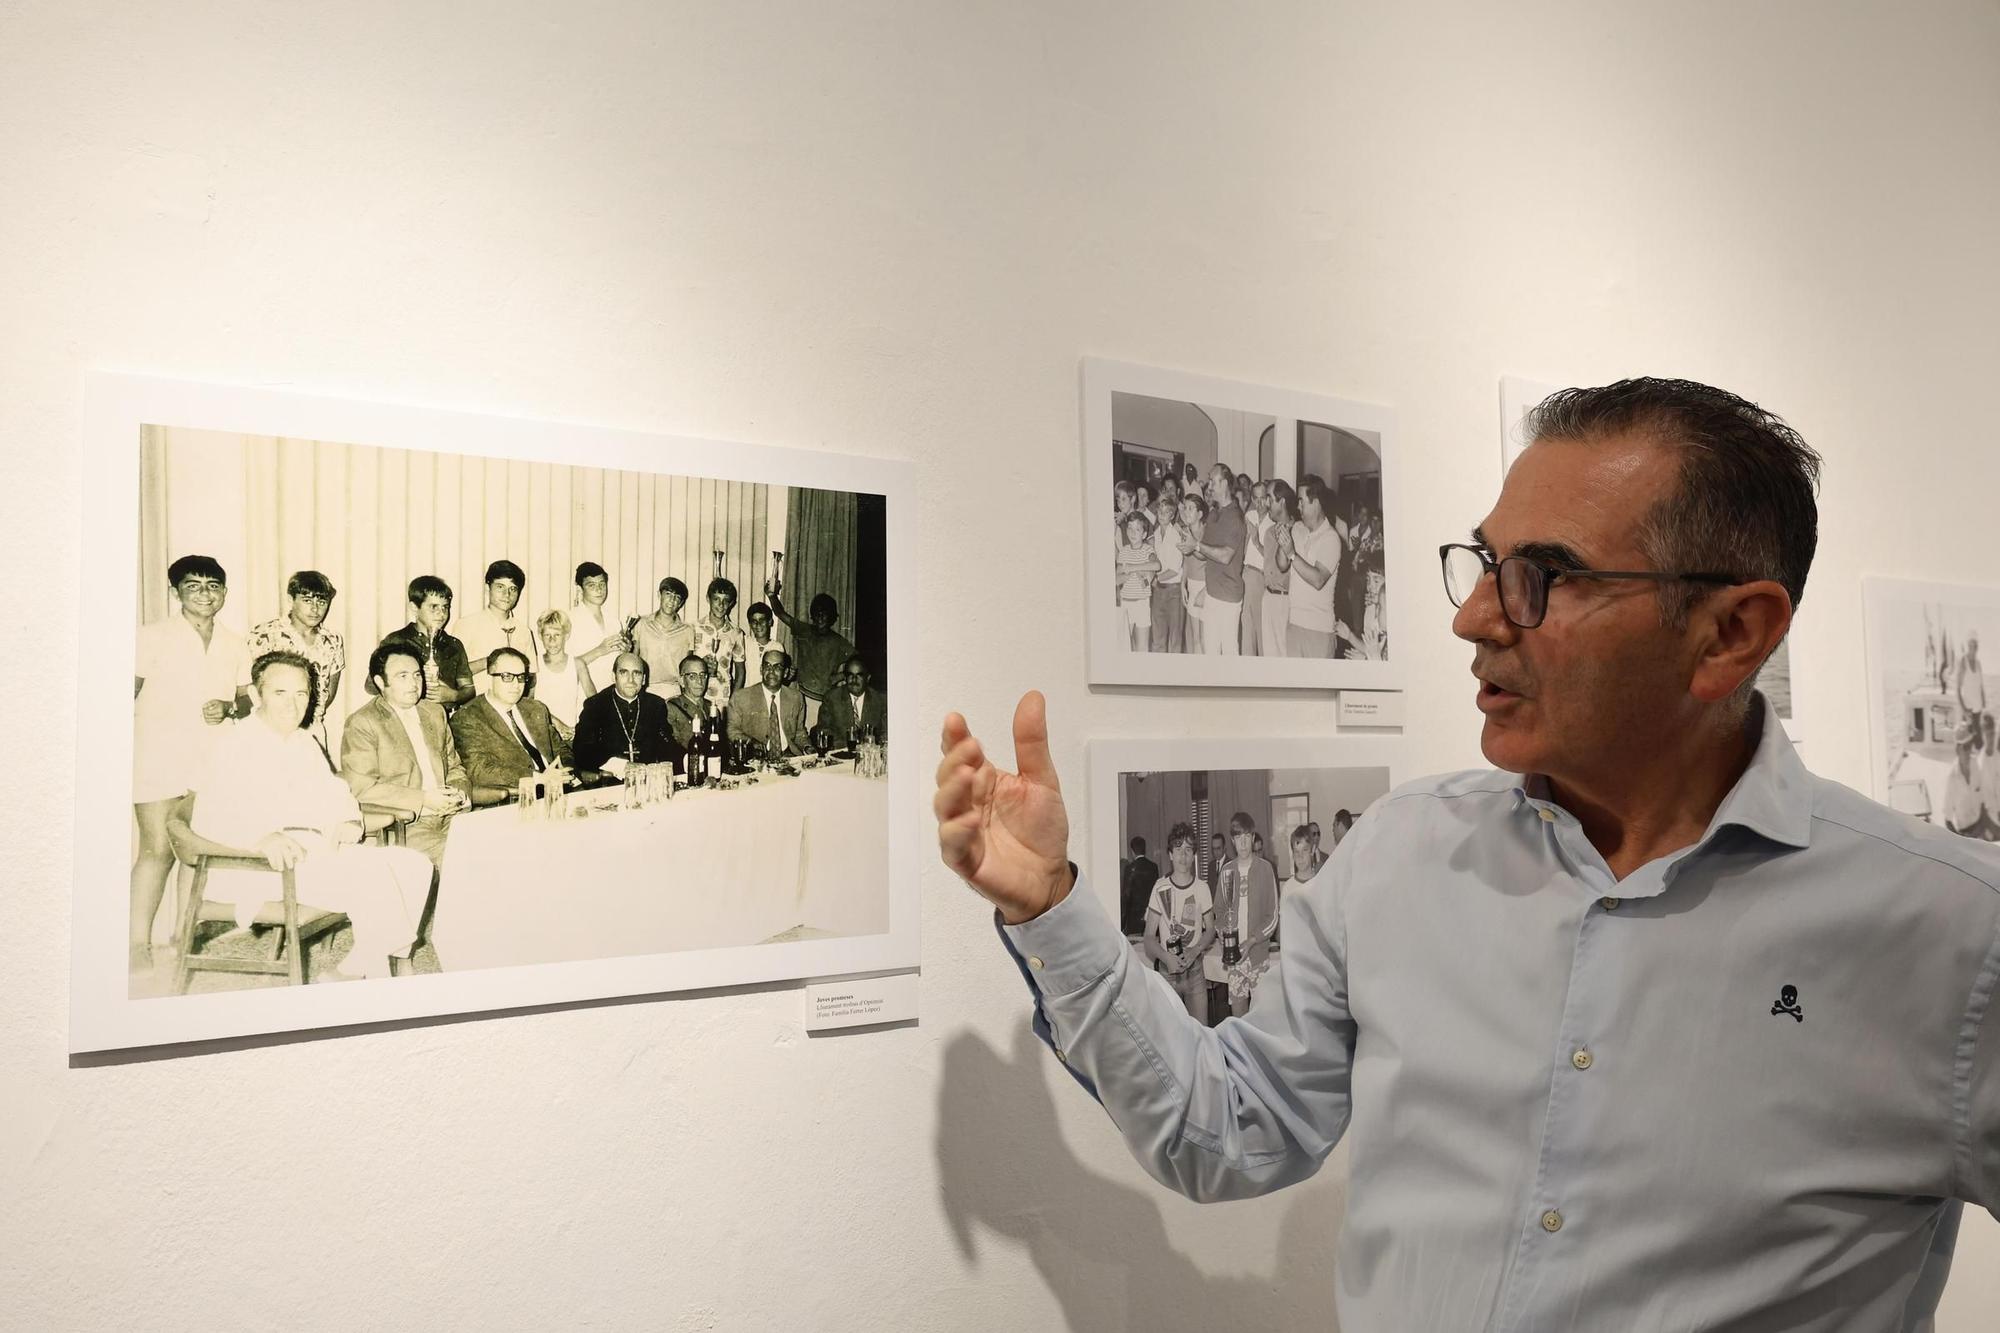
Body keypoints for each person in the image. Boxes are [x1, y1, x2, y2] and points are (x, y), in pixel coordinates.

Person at [934, 377, 1996, 1329]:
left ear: (1727, 634)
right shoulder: (1400, 855)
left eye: (1545, 575)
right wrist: (1050, 907)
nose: (1476, 617)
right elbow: (1227, 1131)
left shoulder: (1948, 936)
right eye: (1486, 562)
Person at [179, 651, 432, 980]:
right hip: (253, 865)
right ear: (256, 695)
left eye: (301, 694)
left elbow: (335, 792)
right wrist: (259, 837)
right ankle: (377, 976)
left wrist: (349, 819)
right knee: (376, 878)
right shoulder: (232, 745)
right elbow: (208, 814)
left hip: (309, 855)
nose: (292, 704)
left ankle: (356, 968)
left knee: (415, 865)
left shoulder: (304, 741)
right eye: (279, 693)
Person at [131, 554, 253, 968]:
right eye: (194, 585)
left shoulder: (235, 643)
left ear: (224, 593)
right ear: (175, 591)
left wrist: (230, 708)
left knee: (196, 852)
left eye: (213, 586)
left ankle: (182, 940)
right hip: (157, 756)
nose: (205, 593)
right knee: (157, 850)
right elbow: (123, 693)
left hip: (210, 760)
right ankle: (136, 946)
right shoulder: (150, 636)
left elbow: (246, 699)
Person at [339, 638, 469, 867]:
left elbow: (455, 767)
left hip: (453, 818)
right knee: (464, 859)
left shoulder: (435, 712)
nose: (414, 683)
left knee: (497, 846)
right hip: (406, 825)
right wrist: (424, 799)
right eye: (403, 676)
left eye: (417, 674)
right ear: (381, 682)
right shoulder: (363, 722)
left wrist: (460, 795)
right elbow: (361, 788)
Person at [450, 647, 574, 807]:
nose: (516, 684)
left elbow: (560, 749)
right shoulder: (467, 717)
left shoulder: (536, 708)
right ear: (489, 678)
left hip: (558, 792)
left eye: (521, 677)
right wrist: (539, 778)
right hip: (515, 799)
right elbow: (480, 770)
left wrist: (566, 771)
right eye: (507, 676)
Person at [247, 569, 345, 746]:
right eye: (307, 600)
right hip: (272, 727)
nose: (315, 609)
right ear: (291, 600)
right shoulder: (264, 634)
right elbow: (251, 686)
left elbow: (328, 691)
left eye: (322, 601)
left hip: (313, 729)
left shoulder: (333, 639)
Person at [1139, 823, 1213, 1024]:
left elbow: (1211, 930)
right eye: (1178, 850)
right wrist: (1165, 957)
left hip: (1195, 972)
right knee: (1171, 1038)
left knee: (1201, 1034)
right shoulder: (1159, 887)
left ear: (1194, 855)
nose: (1183, 856)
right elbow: (1148, 937)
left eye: (1188, 850)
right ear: (1170, 855)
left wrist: (1195, 950)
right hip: (1167, 972)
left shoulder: (1202, 888)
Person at [1212, 812, 1280, 1017]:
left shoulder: (1266, 869)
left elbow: (1273, 916)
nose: (1242, 843)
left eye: (1246, 837)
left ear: (1252, 837)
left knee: (1262, 1017)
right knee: (1238, 1016)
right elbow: (1220, 912)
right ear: (1232, 841)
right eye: (1238, 838)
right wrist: (1226, 940)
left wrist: (1251, 941)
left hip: (1258, 957)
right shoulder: (1226, 871)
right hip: (1234, 960)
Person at [573, 652, 682, 779]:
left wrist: (687, 760)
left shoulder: (655, 705)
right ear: (614, 677)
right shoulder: (596, 705)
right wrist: (621, 766)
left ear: (644, 679)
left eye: (637, 673)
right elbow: (582, 751)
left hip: (648, 780)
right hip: (608, 782)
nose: (631, 680)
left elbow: (666, 744)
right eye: (624, 672)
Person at [771, 591, 854, 732]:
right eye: (817, 613)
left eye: (825, 614)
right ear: (812, 615)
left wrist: (839, 677)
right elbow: (781, 613)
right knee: (801, 736)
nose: (820, 618)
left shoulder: (839, 641)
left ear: (832, 617)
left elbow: (858, 661)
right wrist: (772, 596)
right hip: (802, 696)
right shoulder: (804, 630)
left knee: (821, 738)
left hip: (825, 701)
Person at [1278, 475, 1342, 657]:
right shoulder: (1297, 528)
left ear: (1316, 503)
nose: (1298, 507)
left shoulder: (1331, 538)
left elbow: (1318, 579)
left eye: (1302, 501)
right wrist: (1284, 538)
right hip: (1294, 624)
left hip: (1319, 630)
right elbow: (1282, 564)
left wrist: (1291, 553)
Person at [391, 575, 473, 710]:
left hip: (446, 719)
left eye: (445, 607)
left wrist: (454, 696)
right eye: (433, 607)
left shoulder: (453, 644)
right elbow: (373, 686)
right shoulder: (396, 641)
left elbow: (469, 689)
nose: (441, 614)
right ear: (414, 608)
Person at [1190, 463, 1246, 656]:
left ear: (1224, 484)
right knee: (1210, 652)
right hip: (1212, 594)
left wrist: (1196, 545)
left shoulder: (1235, 518)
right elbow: (1203, 553)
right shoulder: (1214, 513)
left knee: (1229, 653)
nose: (1209, 486)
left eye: (1213, 481)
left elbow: (1224, 556)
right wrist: (1189, 545)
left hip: (1228, 597)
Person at [456, 560, 531, 686]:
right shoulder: (466, 625)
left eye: (513, 589)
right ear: (487, 588)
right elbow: (452, 674)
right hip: (475, 703)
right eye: (500, 587)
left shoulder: (524, 631)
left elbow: (531, 677)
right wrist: (488, 662)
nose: (506, 594)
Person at [728, 651, 807, 757]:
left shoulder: (796, 698)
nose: (771, 671)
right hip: (756, 757)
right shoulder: (741, 697)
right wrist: (751, 742)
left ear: (785, 672)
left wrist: (807, 747)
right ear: (761, 669)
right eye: (767, 666)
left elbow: (799, 732)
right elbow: (732, 731)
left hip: (789, 756)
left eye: (777, 667)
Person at [567, 562, 629, 694]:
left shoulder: (614, 621)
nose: (599, 589)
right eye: (591, 585)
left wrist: (626, 651)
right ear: (579, 589)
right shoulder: (568, 620)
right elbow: (564, 666)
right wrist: (599, 650)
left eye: (602, 584)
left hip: (611, 692)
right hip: (580, 693)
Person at [529, 608, 591, 740]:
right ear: (540, 636)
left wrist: (582, 728)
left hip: (570, 735)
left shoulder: (577, 664)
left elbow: (594, 702)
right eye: (547, 635)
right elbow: (528, 704)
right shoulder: (534, 663)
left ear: (566, 636)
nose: (552, 641)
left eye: (557, 635)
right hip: (541, 734)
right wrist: (556, 723)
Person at [633, 577, 697, 702]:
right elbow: (635, 658)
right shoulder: (641, 624)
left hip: (673, 690)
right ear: (659, 595)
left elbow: (687, 666)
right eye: (668, 594)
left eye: (677, 597)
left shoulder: (687, 630)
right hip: (646, 688)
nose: (672, 600)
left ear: (681, 603)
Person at [693, 577, 749, 714]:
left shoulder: (736, 633)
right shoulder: (694, 628)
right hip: (696, 695)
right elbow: (685, 664)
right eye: (716, 599)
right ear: (708, 599)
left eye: (726, 600)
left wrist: (732, 702)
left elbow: (740, 673)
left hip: (722, 698)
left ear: (731, 603)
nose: (721, 605)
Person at [816, 654, 888, 747]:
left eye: (859, 675)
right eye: (850, 675)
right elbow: (824, 731)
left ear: (868, 678)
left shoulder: (879, 700)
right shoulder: (831, 698)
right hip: (841, 755)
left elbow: (886, 733)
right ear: (845, 678)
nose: (854, 679)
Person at [1259, 481, 1294, 657]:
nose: (1266, 504)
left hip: (1286, 602)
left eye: (1269, 499)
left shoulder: (1298, 531)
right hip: (1268, 599)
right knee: (1269, 654)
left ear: (1282, 502)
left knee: (1285, 653)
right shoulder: (1268, 533)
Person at [1147, 493, 1185, 653]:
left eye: (1166, 512)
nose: (1162, 515)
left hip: (1173, 592)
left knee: (1175, 639)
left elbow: (1174, 569)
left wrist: (1155, 579)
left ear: (1172, 514)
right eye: (1160, 511)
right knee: (1157, 638)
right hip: (1158, 591)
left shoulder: (1176, 535)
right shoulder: (1154, 535)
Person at [1114, 512, 1158, 649]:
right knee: (1125, 647)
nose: (1133, 533)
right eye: (1130, 528)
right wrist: (1134, 574)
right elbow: (1117, 579)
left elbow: (1156, 566)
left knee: (1142, 648)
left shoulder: (1148, 550)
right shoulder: (1124, 552)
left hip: (1142, 604)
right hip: (1126, 604)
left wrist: (1130, 568)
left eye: (1137, 529)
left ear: (1144, 534)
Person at [664, 654, 716, 751]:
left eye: (703, 675)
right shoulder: (672, 707)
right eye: (692, 676)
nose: (699, 681)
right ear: (682, 681)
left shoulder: (711, 708)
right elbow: (672, 747)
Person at [1241, 480, 1269, 655]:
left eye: (1263, 498)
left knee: (1262, 628)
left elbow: (1274, 560)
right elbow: (1243, 544)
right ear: (1252, 498)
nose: (1259, 503)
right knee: (1246, 627)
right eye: (1256, 498)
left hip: (1262, 577)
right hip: (1246, 574)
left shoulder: (1273, 521)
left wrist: (1256, 540)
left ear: (1268, 498)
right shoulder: (1249, 515)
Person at [1118, 835, 1158, 938]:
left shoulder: (1129, 868)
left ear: (1132, 851)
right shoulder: (1153, 867)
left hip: (1134, 919)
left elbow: (1126, 896)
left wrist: (1121, 923)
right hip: (1151, 917)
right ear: (1145, 849)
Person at [1957, 628, 1987, 720]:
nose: (1973, 647)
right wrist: (1964, 710)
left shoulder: (1978, 663)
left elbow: (1981, 687)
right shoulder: (1963, 661)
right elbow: (1957, 688)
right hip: (1968, 710)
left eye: (1975, 644)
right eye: (1971, 644)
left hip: (1979, 709)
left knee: (1979, 734)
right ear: (1968, 645)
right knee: (1970, 734)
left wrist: (1983, 705)